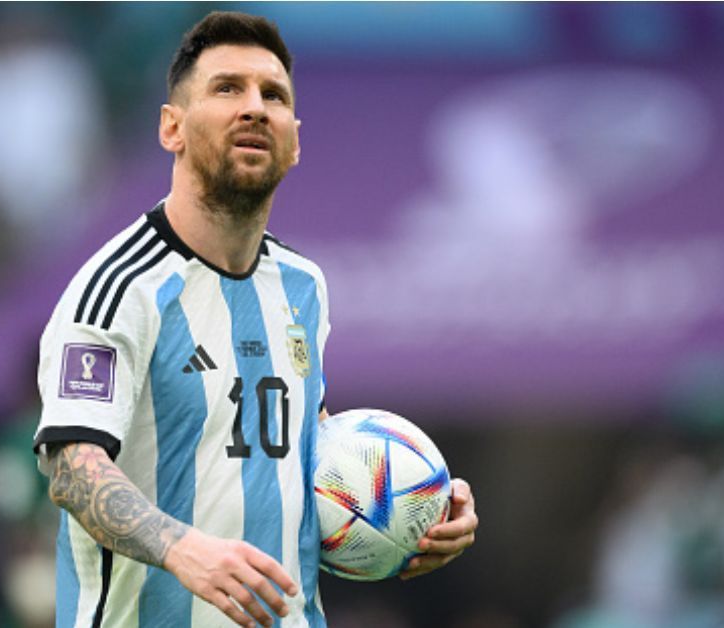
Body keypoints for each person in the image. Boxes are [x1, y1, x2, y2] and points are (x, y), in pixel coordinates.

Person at [33, 11, 478, 628]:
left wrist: (415, 509)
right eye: (226, 88)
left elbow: (301, 444)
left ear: (294, 140)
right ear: (172, 128)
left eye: (273, 95)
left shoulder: (303, 286)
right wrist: (183, 550)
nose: (254, 107)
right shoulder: (120, 288)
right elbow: (71, 465)